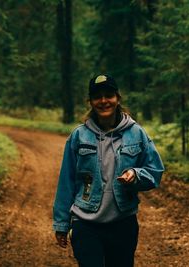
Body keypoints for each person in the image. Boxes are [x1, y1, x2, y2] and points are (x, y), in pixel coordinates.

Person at [52, 74, 164, 267]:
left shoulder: (136, 133)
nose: (104, 101)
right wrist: (62, 224)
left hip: (123, 223)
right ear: (90, 101)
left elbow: (155, 171)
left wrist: (136, 175)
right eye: (97, 96)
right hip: (85, 223)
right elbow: (66, 181)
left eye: (109, 95)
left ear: (117, 98)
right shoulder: (79, 135)